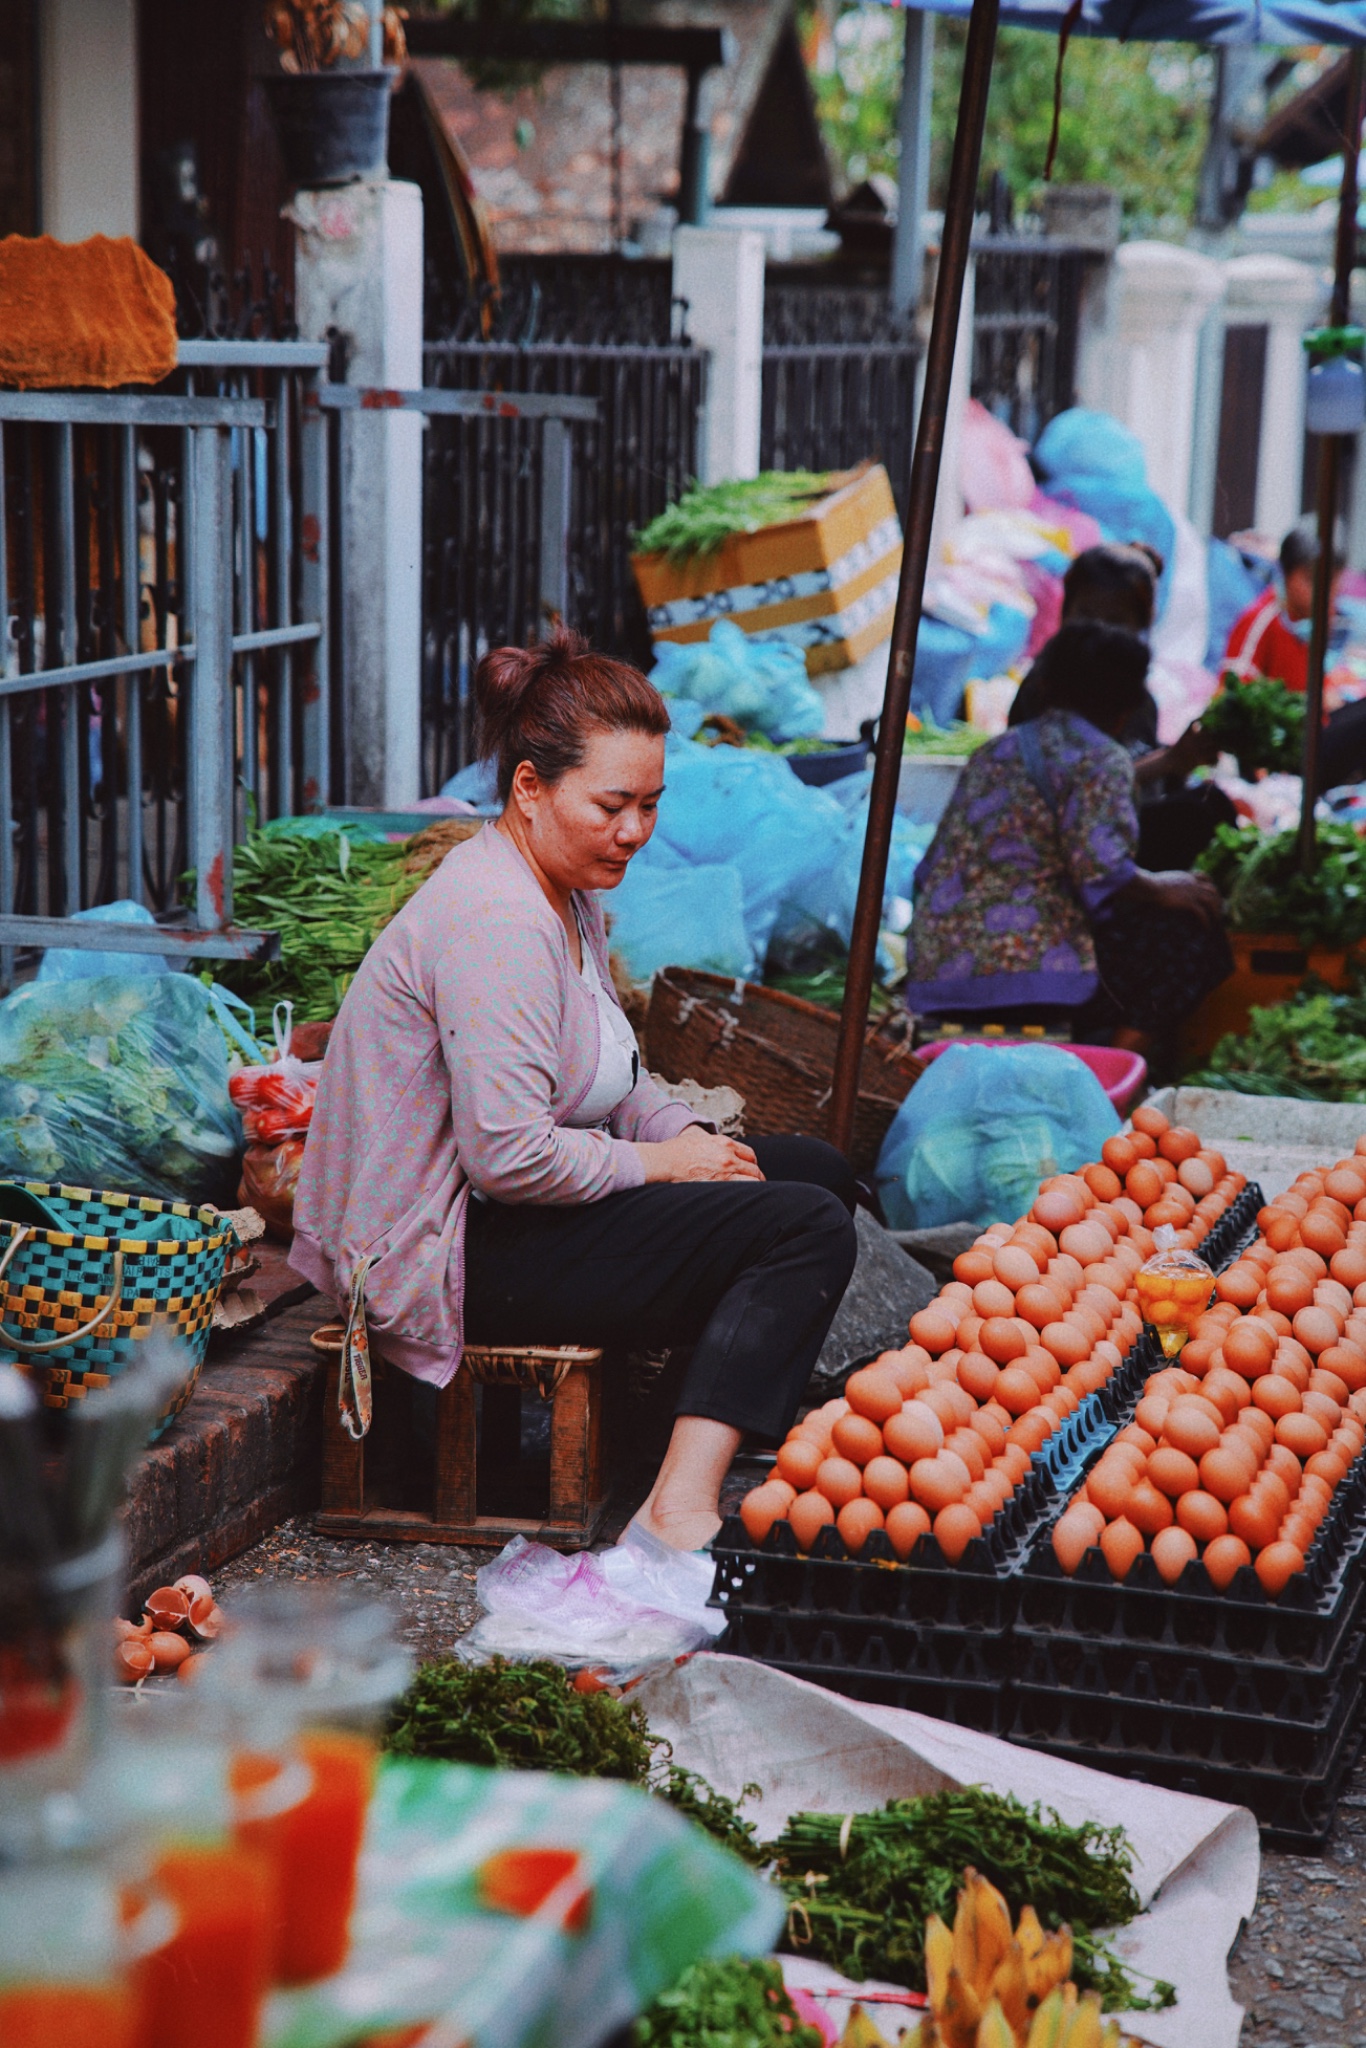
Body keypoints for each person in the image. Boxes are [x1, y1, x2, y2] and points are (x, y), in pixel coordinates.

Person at [291, 627, 858, 1553]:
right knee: (805, 1227)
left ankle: (668, 1429)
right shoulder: (497, 920)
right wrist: (664, 1165)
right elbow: (508, 1155)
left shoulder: (566, 889)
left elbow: (613, 1077)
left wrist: (693, 1147)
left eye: (650, 804)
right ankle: (675, 1504)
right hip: (443, 1248)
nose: (635, 830)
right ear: (528, 787)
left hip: (507, 1216)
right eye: (613, 804)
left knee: (812, 1172)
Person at [905, 620, 1231, 1058]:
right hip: (1027, 982)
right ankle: (1115, 1071)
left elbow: (931, 869)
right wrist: (1166, 887)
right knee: (1192, 928)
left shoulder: (995, 751)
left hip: (936, 970)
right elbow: (1103, 870)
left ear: (1045, 686)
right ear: (1128, 706)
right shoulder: (1102, 759)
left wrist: (1168, 764)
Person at [1011, 542, 1229, 868]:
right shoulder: (1046, 689)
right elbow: (1067, 792)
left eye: (1115, 621)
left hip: (1111, 832)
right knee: (1191, 816)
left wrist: (1181, 763)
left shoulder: (1138, 700)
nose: (1098, 632)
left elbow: (1143, 778)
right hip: (1061, 847)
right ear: (1064, 613)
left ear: (1141, 628)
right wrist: (1167, 762)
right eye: (1085, 615)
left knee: (1212, 803)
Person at [1223, 521, 1366, 791]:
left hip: (1311, 735)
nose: (1327, 594)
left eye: (1333, 583)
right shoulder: (1262, 620)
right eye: (1314, 581)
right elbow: (1233, 699)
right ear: (1289, 575)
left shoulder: (1315, 622)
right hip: (1281, 754)